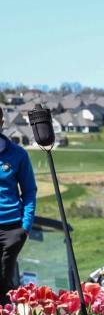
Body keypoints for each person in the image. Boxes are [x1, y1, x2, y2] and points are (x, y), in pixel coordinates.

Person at [0, 109, 37, 301]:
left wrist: (25, 227)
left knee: (5, 286)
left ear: (1, 122)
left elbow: (29, 191)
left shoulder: (18, 154)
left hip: (12, 229)